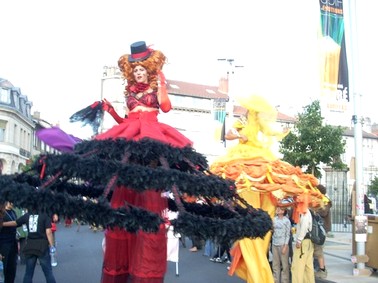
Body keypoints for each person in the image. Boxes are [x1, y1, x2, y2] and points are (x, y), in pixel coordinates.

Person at [96, 41, 192, 283]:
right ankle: (123, 268)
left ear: (148, 71)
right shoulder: (129, 93)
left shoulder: (155, 86)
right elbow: (125, 122)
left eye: (142, 69)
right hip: (133, 132)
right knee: (126, 183)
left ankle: (144, 270)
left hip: (151, 134)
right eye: (135, 70)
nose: (138, 72)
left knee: (149, 184)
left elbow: (167, 108)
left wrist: (162, 84)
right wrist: (110, 111)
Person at [3, 210, 56, 283]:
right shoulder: (45, 215)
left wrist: (2, 224)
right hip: (42, 246)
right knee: (48, 272)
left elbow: (15, 222)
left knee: (28, 273)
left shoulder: (27, 215)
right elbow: (49, 232)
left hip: (30, 246)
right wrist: (52, 246)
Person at [291, 208, 315, 283]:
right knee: (308, 268)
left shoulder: (304, 212)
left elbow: (304, 226)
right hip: (308, 242)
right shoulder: (307, 211)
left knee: (297, 268)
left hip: (302, 242)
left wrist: (299, 240)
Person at [313, 184, 332, 279]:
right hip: (317, 228)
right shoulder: (320, 200)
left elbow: (324, 212)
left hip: (322, 229)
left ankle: (322, 270)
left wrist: (315, 210)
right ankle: (318, 268)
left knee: (319, 250)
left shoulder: (325, 201)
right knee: (316, 249)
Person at [271, 206, 291, 283]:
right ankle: (275, 280)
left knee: (284, 265)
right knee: (275, 265)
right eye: (277, 208)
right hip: (274, 244)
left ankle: (284, 281)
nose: (277, 210)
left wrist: (285, 246)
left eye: (280, 209)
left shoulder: (287, 221)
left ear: (283, 211)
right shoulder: (273, 219)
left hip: (283, 244)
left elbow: (287, 234)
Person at [0, 202, 18, 283]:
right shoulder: (2, 213)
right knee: (4, 267)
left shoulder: (13, 212)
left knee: (12, 267)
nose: (13, 203)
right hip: (3, 243)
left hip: (13, 242)